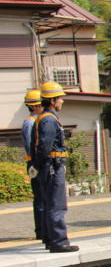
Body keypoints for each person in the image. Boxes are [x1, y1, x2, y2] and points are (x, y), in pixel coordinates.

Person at [31, 81, 77, 252]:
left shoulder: (44, 118)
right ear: (52, 100)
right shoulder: (49, 120)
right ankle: (59, 241)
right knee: (57, 204)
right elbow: (45, 146)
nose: (62, 101)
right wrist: (40, 164)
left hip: (49, 166)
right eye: (60, 98)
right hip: (52, 166)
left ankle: (50, 239)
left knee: (50, 203)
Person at [21, 89, 44, 241]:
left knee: (42, 197)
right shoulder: (31, 123)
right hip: (35, 163)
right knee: (41, 197)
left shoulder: (34, 121)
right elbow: (32, 146)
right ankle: (41, 230)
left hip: (34, 162)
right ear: (35, 106)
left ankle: (42, 229)